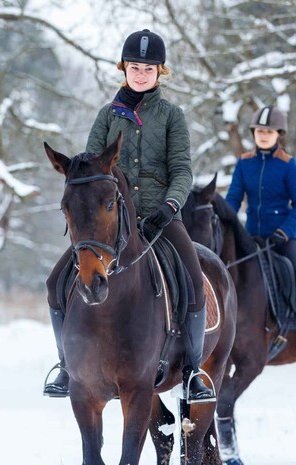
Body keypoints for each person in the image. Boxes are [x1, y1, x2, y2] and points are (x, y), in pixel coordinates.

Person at [43, 29, 215, 403]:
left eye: (148, 69)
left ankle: (192, 371)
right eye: (134, 67)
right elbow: (90, 166)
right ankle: (66, 365)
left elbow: (182, 169)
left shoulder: (171, 116)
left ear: (159, 72)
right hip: (109, 222)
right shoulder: (107, 115)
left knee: (192, 280)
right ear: (124, 69)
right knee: (56, 282)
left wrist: (170, 206)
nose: (140, 74)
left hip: (161, 217)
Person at [225, 106, 296, 364]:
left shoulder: (288, 165)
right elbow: (234, 199)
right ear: (254, 133)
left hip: (283, 238)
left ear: (279, 134)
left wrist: (284, 231)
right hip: (251, 237)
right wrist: (225, 220)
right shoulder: (244, 163)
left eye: (269, 132)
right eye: (260, 131)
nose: (263, 135)